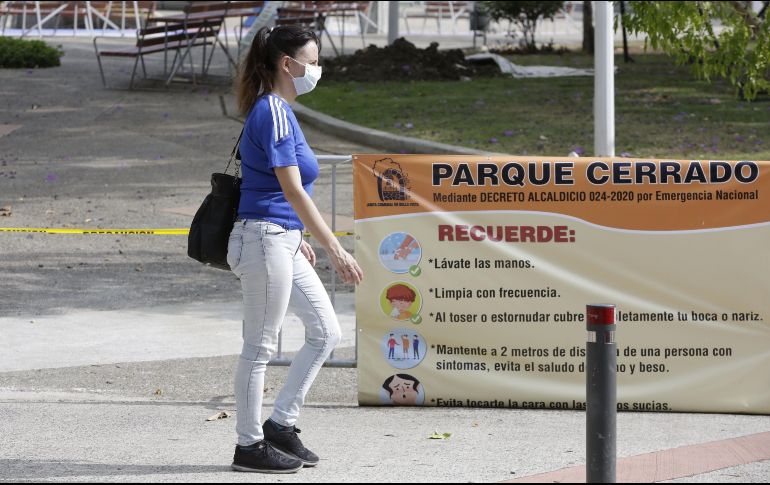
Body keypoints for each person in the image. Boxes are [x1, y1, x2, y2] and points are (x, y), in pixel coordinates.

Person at [227, 24, 363, 474]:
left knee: (326, 332)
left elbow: (281, 189)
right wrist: (335, 248)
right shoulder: (274, 110)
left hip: (280, 239)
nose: (317, 70)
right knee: (260, 347)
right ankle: (248, 446)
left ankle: (280, 424)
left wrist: (298, 236)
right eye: (313, 61)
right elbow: (291, 190)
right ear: (288, 65)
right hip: (264, 239)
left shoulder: (279, 110)